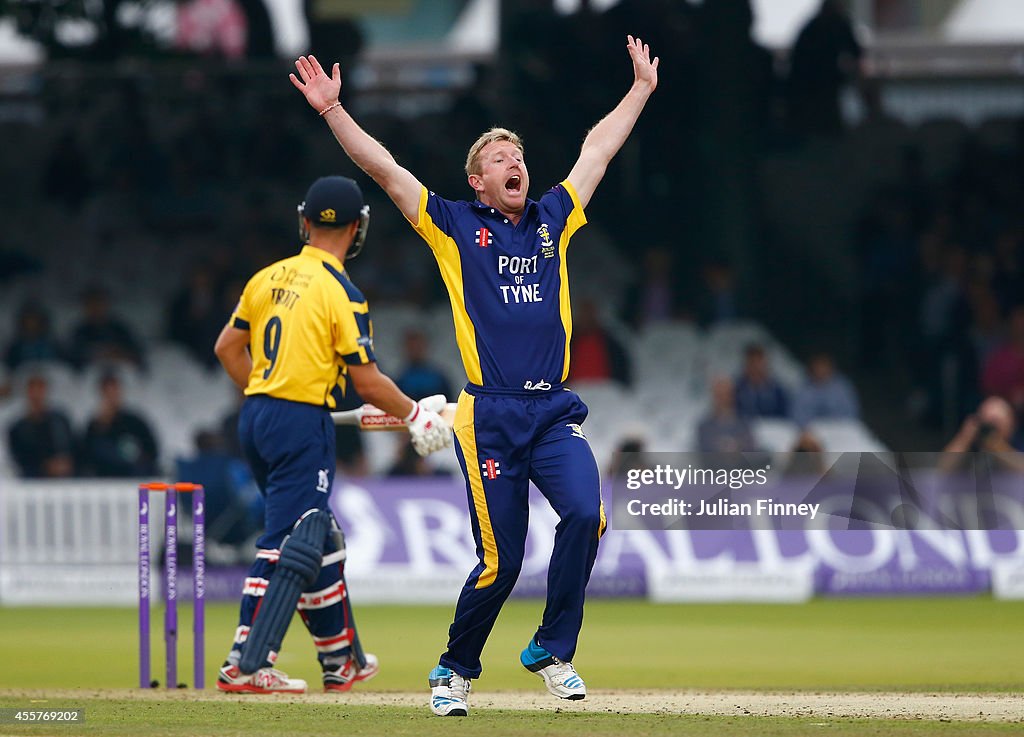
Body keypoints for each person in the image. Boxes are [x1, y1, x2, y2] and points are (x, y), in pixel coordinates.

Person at [289, 35, 658, 715]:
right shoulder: (454, 225)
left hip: (551, 412)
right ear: (478, 181)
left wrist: (639, 88)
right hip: (487, 417)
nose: (513, 161)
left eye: (517, 154)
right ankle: (453, 670)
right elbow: (387, 170)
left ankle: (551, 647)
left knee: (588, 513)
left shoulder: (553, 217)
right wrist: (334, 112)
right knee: (502, 562)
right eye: (497, 158)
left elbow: (597, 151)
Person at [212, 175, 452, 694]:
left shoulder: (267, 277)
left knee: (319, 535)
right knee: (286, 540)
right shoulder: (341, 290)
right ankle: (246, 663)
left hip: (255, 415)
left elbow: (227, 349)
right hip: (301, 423)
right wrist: (415, 416)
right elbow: (366, 381)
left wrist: (264, 391)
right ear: (358, 227)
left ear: (304, 221)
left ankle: (341, 659)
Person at [79, 371, 159, 477]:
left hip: (133, 477)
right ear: (101, 394)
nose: (112, 397)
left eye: (115, 391)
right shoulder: (94, 425)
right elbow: (86, 456)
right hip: (105, 480)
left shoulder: (135, 421)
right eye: (108, 393)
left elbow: (152, 450)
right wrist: (101, 427)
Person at [7, 374, 76, 478]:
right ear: (27, 393)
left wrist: (65, 462)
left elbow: (73, 446)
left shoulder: (60, 420)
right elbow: (20, 459)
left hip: (65, 478)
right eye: (33, 389)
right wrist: (46, 466)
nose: (36, 394)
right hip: (33, 481)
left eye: (40, 389)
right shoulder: (17, 428)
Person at [791, 351, 860, 428]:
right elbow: (797, 416)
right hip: (812, 429)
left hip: (839, 428)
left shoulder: (842, 387)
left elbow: (851, 413)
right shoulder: (803, 389)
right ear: (811, 369)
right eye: (818, 367)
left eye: (823, 366)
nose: (820, 370)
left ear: (831, 368)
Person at [396, 328, 454, 401]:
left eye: (418, 346)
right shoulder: (400, 379)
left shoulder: (438, 378)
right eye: (412, 346)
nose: (415, 350)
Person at [734, 343, 788, 419]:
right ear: (747, 364)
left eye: (759, 362)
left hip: (771, 428)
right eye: (752, 362)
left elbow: (784, 415)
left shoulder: (777, 390)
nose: (756, 367)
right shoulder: (737, 389)